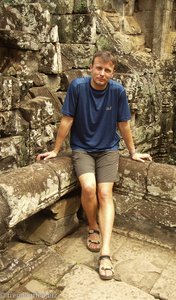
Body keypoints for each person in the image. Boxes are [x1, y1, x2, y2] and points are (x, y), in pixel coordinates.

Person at [37, 51, 152, 280]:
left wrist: (133, 152)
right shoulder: (78, 87)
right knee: (89, 188)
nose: (102, 73)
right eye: (99, 68)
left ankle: (106, 253)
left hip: (109, 149)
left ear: (113, 72)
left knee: (104, 192)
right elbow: (67, 120)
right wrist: (56, 150)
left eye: (107, 70)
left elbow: (124, 124)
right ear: (91, 68)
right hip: (82, 148)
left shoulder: (117, 91)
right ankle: (92, 226)